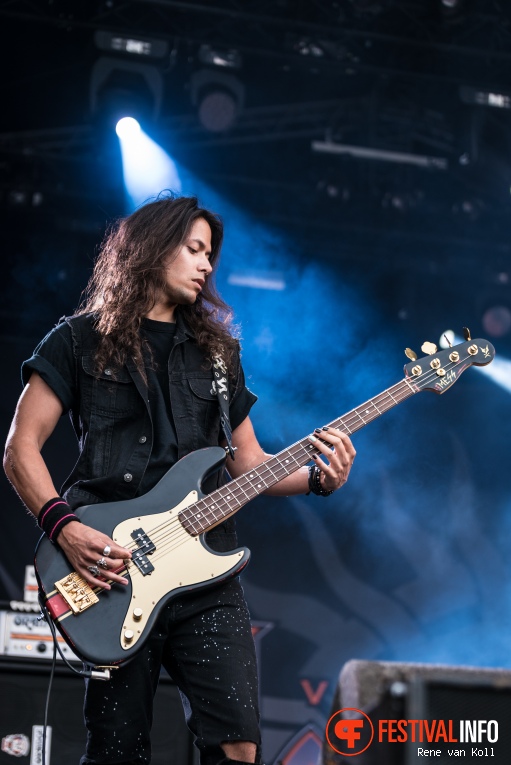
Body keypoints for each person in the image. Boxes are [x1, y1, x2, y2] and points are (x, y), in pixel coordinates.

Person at [3, 195, 356, 765]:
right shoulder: (76, 341)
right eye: (193, 249)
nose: (206, 264)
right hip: (110, 570)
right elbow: (20, 449)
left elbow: (247, 464)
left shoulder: (220, 355)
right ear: (151, 247)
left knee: (238, 743)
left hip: (205, 573)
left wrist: (318, 481)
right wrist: (64, 528)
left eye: (210, 254)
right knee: (118, 750)